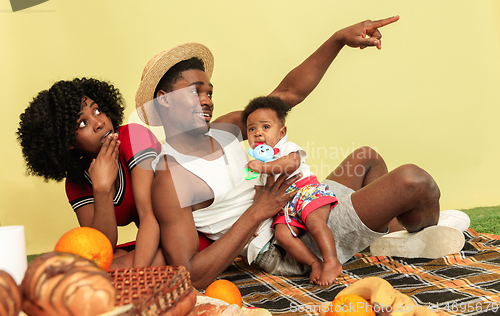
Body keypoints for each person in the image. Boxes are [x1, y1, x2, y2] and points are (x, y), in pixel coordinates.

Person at [135, 16, 465, 289]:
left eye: (209, 92)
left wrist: (337, 40)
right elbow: (190, 275)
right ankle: (423, 229)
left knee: (367, 158)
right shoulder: (171, 176)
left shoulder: (224, 129)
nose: (207, 100)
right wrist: (257, 211)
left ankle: (395, 236)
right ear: (163, 99)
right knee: (414, 180)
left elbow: (287, 93)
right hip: (287, 241)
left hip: (302, 205)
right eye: (195, 92)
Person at [17, 78, 165, 269]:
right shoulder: (76, 182)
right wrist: (102, 189)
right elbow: (101, 246)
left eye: (97, 111)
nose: (99, 123)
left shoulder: (134, 137)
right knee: (90, 264)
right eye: (82, 123)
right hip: (153, 238)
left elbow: (149, 215)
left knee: (102, 269)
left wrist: (136, 271)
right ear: (68, 142)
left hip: (185, 228)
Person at [242, 96, 341, 286]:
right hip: (286, 208)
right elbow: (259, 195)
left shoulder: (286, 148)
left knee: (314, 221)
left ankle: (332, 261)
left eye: (265, 127)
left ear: (282, 133)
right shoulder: (257, 165)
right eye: (251, 129)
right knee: (282, 235)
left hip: (306, 193)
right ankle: (315, 262)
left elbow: (291, 163)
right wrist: (255, 221)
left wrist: (265, 167)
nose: (258, 133)